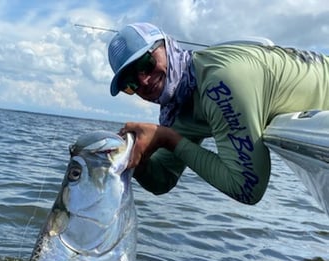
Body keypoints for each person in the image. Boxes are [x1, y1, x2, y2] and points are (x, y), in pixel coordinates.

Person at [108, 22, 329, 205]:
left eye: (146, 64)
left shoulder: (219, 82)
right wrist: (132, 157)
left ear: (167, 46)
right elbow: (162, 179)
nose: (143, 81)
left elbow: (247, 189)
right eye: (130, 83)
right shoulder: (178, 105)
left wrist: (168, 138)